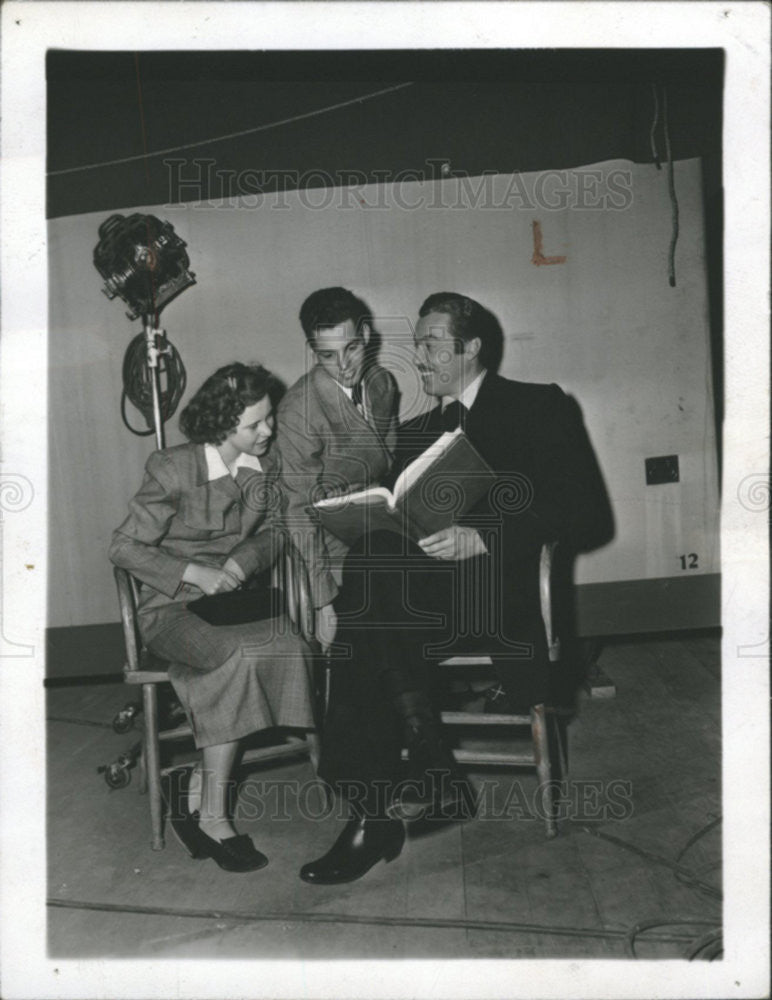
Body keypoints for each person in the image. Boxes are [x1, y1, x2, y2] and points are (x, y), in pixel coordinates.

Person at [300, 292, 612, 885]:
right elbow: (398, 516)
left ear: (471, 348)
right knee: (370, 570)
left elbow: (587, 514)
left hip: (500, 595)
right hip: (426, 600)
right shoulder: (417, 429)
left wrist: (485, 537)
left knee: (366, 617)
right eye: (417, 344)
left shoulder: (538, 406)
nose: (418, 357)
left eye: (430, 344)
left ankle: (390, 800)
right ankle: (415, 779)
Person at [110, 363, 316, 873]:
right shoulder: (172, 467)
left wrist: (240, 563)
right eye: (256, 425)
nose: (268, 431)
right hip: (171, 607)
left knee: (289, 642)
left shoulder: (261, 466)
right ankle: (213, 816)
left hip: (230, 602)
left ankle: (197, 782)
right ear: (224, 426)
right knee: (237, 658)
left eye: (268, 419)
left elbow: (273, 532)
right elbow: (123, 546)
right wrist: (193, 572)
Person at [275, 287, 399, 651]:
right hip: (328, 543)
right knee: (390, 585)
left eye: (352, 349)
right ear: (313, 351)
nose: (343, 366)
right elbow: (296, 511)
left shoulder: (382, 384)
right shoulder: (299, 409)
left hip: (379, 525)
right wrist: (322, 601)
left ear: (365, 337)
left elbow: (386, 463)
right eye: (327, 356)